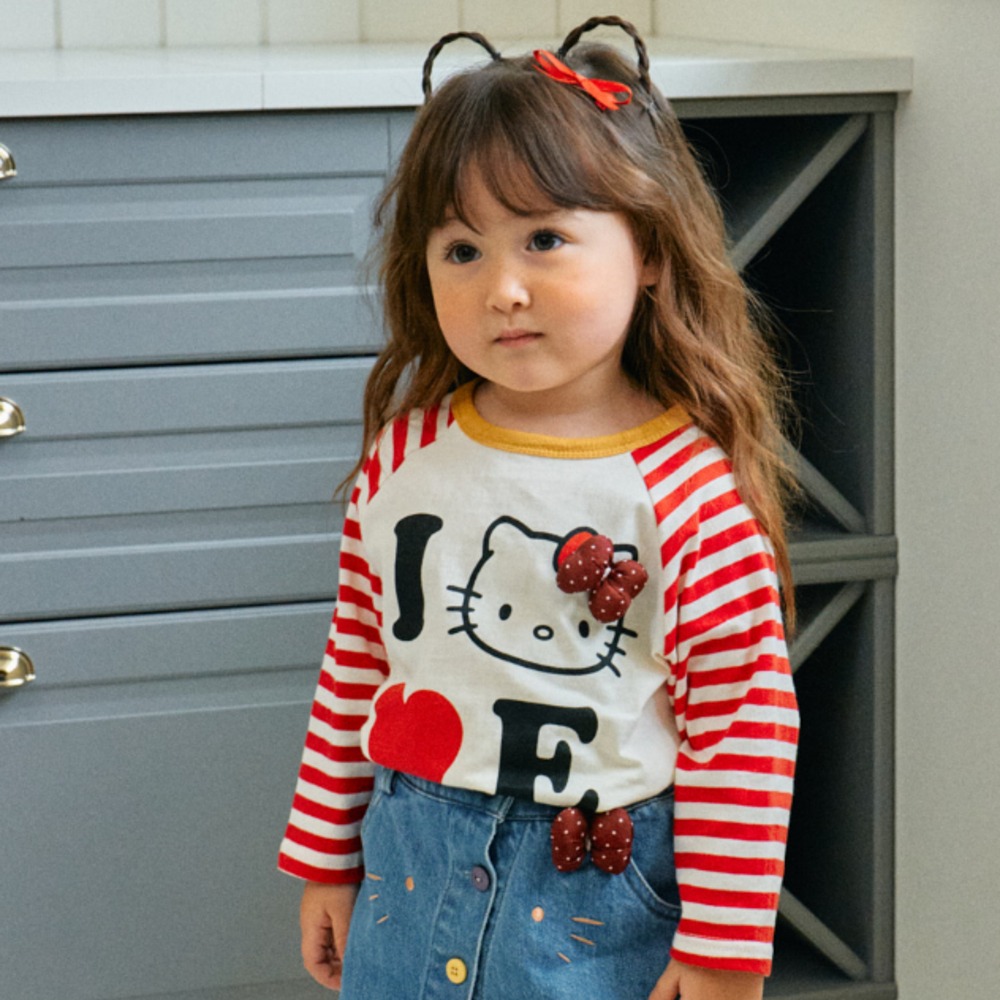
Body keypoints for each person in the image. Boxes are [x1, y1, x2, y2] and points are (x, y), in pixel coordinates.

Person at [278, 15, 800, 1000]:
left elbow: (743, 729)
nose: (504, 288)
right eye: (461, 249)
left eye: (545, 239)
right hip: (404, 874)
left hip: (596, 905)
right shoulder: (405, 460)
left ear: (649, 248)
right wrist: (325, 859)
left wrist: (723, 952)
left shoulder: (686, 492)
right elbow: (356, 659)